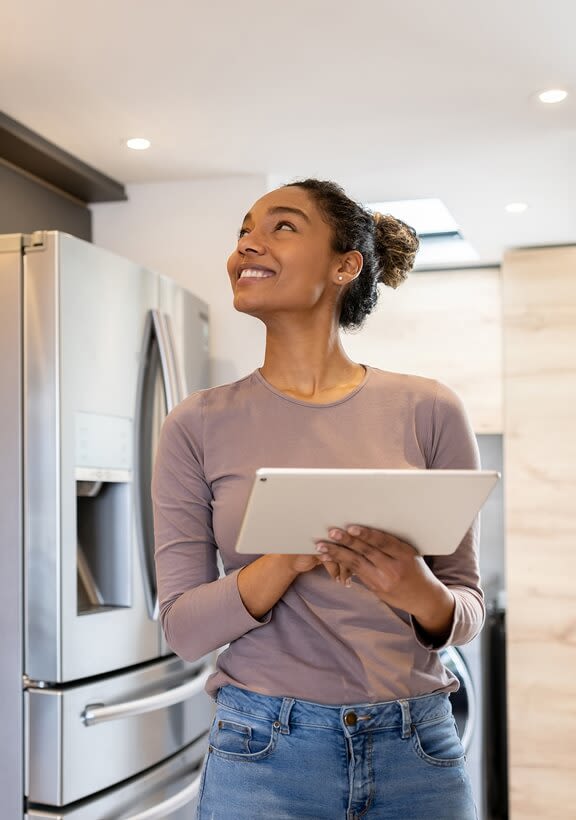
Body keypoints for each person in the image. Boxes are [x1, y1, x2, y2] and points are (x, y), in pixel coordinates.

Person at [152, 179, 483, 820]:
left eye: (281, 226)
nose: (248, 241)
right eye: (244, 229)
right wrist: (287, 558)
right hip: (261, 752)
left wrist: (416, 590)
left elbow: (466, 607)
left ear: (344, 265)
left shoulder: (430, 410)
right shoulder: (195, 424)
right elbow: (183, 628)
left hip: (416, 750)